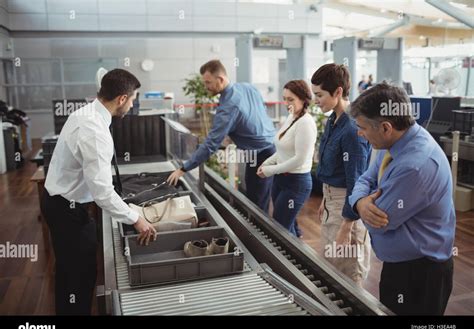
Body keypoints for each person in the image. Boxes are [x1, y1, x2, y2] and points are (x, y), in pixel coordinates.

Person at [41, 69, 156, 315]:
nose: (134, 104)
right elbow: (102, 192)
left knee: (69, 273)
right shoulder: (95, 131)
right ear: (121, 99)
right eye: (133, 98)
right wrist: (137, 220)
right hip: (67, 209)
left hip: (62, 202)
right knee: (80, 277)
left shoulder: (88, 113)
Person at [349, 82, 455, 315]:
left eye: (362, 127)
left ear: (385, 127)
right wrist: (360, 202)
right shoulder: (395, 141)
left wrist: (364, 206)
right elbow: (365, 178)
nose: (359, 133)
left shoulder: (414, 166)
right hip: (401, 265)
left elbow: (378, 223)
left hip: (420, 273)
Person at [167, 59, 276, 212]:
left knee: (257, 204)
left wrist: (183, 169)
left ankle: (265, 234)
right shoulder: (247, 87)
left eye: (208, 83)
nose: (206, 87)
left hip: (260, 155)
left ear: (221, 79)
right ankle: (294, 233)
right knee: (274, 196)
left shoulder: (228, 106)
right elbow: (258, 112)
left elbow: (212, 143)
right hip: (272, 145)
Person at [311, 63, 372, 287]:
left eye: (319, 95)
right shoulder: (333, 119)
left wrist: (347, 227)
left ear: (338, 92)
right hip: (332, 202)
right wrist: (326, 200)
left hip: (348, 208)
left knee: (348, 274)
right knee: (331, 268)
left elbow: (356, 182)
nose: (316, 100)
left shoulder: (352, 129)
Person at [257, 80, 316, 237]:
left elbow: (299, 159)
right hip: (281, 180)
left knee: (281, 228)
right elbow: (282, 149)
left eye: (291, 99)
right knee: (285, 227)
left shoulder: (306, 123)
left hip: (296, 183)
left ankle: (293, 260)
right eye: (285, 98)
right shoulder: (291, 117)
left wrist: (270, 170)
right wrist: (267, 163)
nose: (286, 103)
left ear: (303, 99)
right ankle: (295, 259)